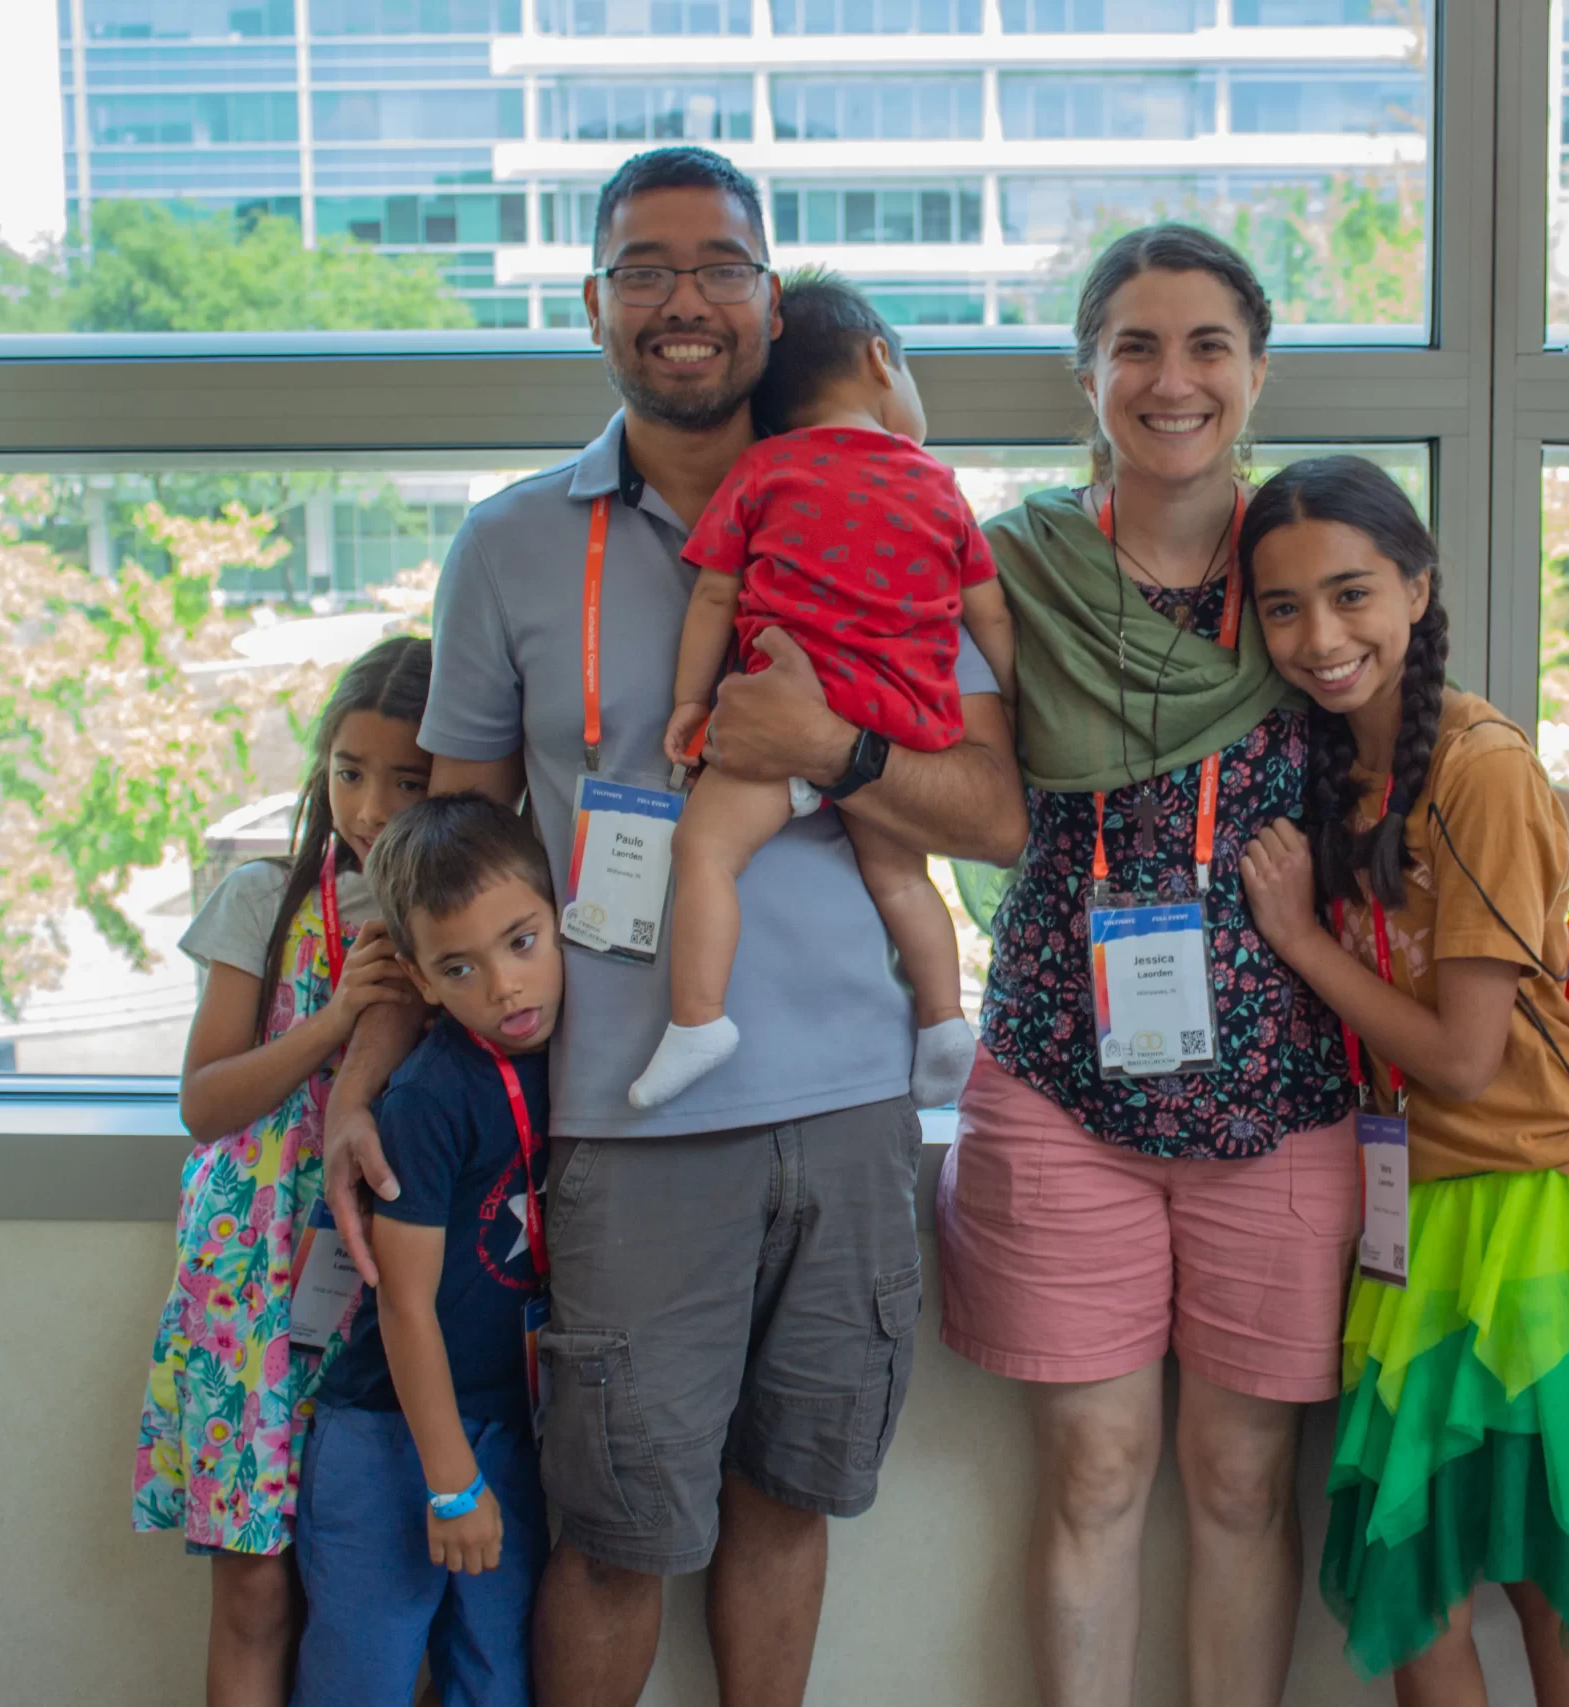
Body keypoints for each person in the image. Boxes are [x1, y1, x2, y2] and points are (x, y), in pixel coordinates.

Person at [935, 224, 1569, 1707]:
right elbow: (949, 779)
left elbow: (1461, 775)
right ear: (1088, 372)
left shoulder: (1302, 566)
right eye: (1137, 346)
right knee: (1095, 1465)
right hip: (1062, 1070)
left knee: (1245, 1474)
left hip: (1294, 1100)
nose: (1173, 380)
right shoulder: (1014, 572)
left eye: (1208, 345)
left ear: (1257, 370)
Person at [320, 146, 1025, 1707]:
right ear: (593, 306)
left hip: (852, 1102)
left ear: (773, 306)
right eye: (644, 268)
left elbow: (998, 814)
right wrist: (364, 1080)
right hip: (623, 1121)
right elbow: (441, 861)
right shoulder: (510, 545)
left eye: (719, 266)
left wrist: (829, 752)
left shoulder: (904, 511)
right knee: (619, 1528)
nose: (683, 299)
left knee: (789, 1497)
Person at [1234, 455, 1569, 1706]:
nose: (1321, 637)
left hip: (1535, 1205)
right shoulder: (1348, 757)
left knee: (1557, 1582)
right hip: (1415, 1212)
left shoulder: (1476, 760)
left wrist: (1301, 940)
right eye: (1284, 607)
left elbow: (1459, 1053)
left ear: (1417, 588)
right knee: (1416, 1579)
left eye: (1351, 595)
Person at [638, 270, 1017, 1110]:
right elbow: (986, 608)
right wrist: (1016, 692)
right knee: (903, 881)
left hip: (774, 716)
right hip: (897, 723)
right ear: (881, 360)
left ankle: (698, 1020)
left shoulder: (764, 468)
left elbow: (713, 594)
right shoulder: (936, 484)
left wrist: (690, 703)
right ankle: (945, 1024)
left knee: (705, 853)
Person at [134, 636, 431, 1707]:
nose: (371, 806)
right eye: (350, 771)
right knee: (256, 1590)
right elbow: (204, 1101)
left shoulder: (457, 919)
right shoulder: (263, 899)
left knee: (380, 1589)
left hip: (388, 1285)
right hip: (248, 1289)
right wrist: (338, 1021)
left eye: (408, 780)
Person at [292, 794, 559, 1707]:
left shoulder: (571, 1055)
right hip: (390, 1436)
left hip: (506, 1425)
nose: (506, 987)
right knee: (360, 1676)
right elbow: (404, 1304)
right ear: (419, 975)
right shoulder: (428, 1097)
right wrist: (450, 1483)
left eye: (522, 942)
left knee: (496, 1677)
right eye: (461, 965)